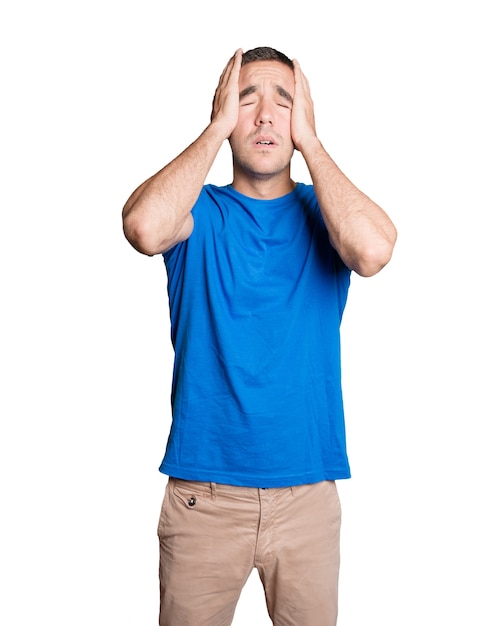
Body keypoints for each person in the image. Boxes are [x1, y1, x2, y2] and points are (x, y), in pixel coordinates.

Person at [122, 46, 397, 626]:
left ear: (304, 119)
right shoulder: (200, 214)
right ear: (225, 112)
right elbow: (144, 228)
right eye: (246, 100)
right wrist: (214, 127)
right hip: (204, 499)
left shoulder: (327, 216)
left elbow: (372, 250)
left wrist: (314, 145)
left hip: (307, 498)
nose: (266, 115)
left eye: (284, 102)